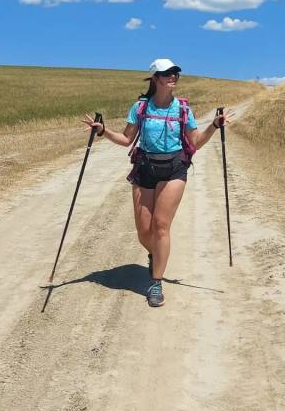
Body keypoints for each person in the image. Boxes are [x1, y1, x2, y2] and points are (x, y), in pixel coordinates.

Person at [83, 58, 228, 307]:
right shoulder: (140, 108)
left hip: (174, 168)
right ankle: (156, 253)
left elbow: (195, 141)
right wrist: (102, 131)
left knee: (161, 226)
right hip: (144, 168)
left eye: (175, 73)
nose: (173, 76)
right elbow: (127, 139)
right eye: (167, 73)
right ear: (155, 79)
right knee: (144, 230)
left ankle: (156, 282)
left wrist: (214, 126)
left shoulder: (183, 109)